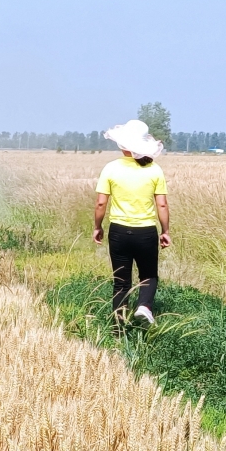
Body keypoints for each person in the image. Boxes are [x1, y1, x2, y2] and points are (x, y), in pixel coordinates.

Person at [94, 120, 170, 327]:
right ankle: (144, 306)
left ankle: (118, 329)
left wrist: (98, 227)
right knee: (149, 276)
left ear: (122, 144)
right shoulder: (154, 169)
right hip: (146, 232)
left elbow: (101, 203)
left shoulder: (111, 168)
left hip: (118, 232)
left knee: (121, 282)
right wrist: (165, 231)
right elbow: (162, 205)